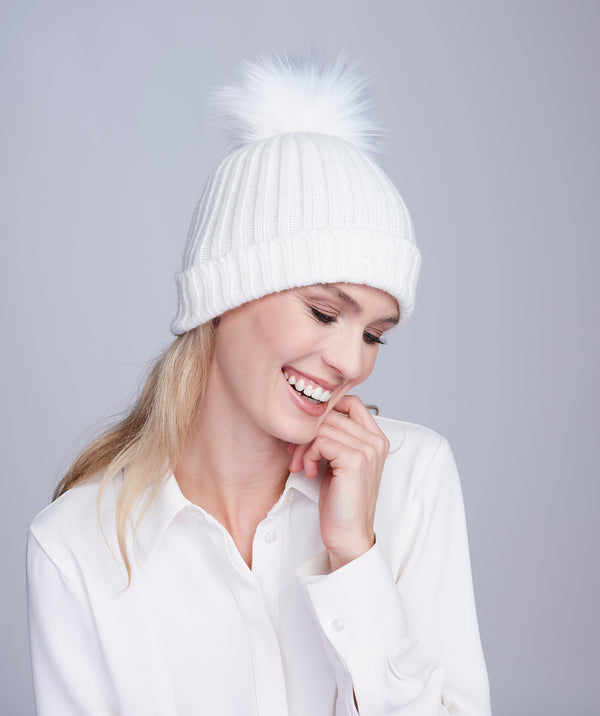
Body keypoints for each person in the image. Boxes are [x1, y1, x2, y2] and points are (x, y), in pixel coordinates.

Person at [26, 55, 492, 715]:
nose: (351, 363)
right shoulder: (77, 545)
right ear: (226, 293)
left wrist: (355, 557)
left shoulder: (410, 479)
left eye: (373, 333)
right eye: (324, 313)